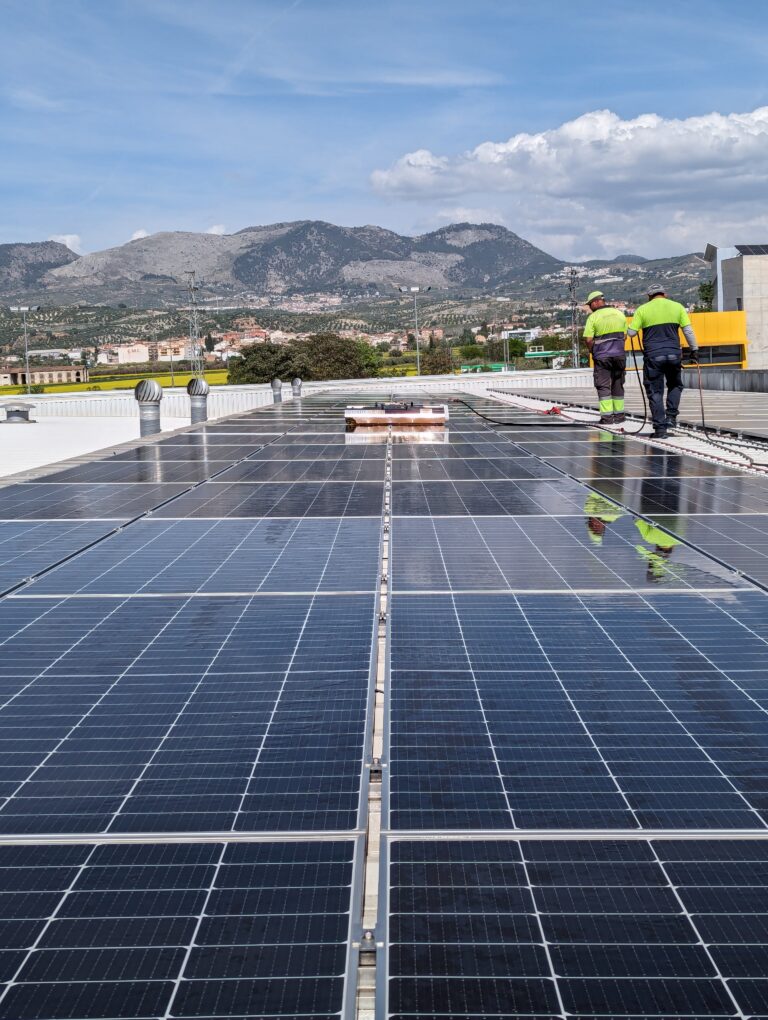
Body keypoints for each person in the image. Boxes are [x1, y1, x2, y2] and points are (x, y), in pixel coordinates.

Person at [627, 284, 700, 439]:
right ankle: (671, 417)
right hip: (674, 355)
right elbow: (688, 330)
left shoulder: (642, 309)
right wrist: (694, 350)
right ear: (664, 294)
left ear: (649, 296)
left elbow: (631, 333)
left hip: (653, 357)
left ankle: (660, 429)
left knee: (655, 391)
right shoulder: (677, 307)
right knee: (675, 385)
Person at [582, 291, 628, 425]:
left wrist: (592, 351)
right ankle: (619, 416)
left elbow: (589, 339)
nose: (590, 308)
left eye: (590, 305)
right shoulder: (619, 313)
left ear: (596, 302)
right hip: (619, 355)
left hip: (602, 356)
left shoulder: (593, 317)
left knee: (603, 385)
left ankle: (607, 418)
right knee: (618, 383)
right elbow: (625, 336)